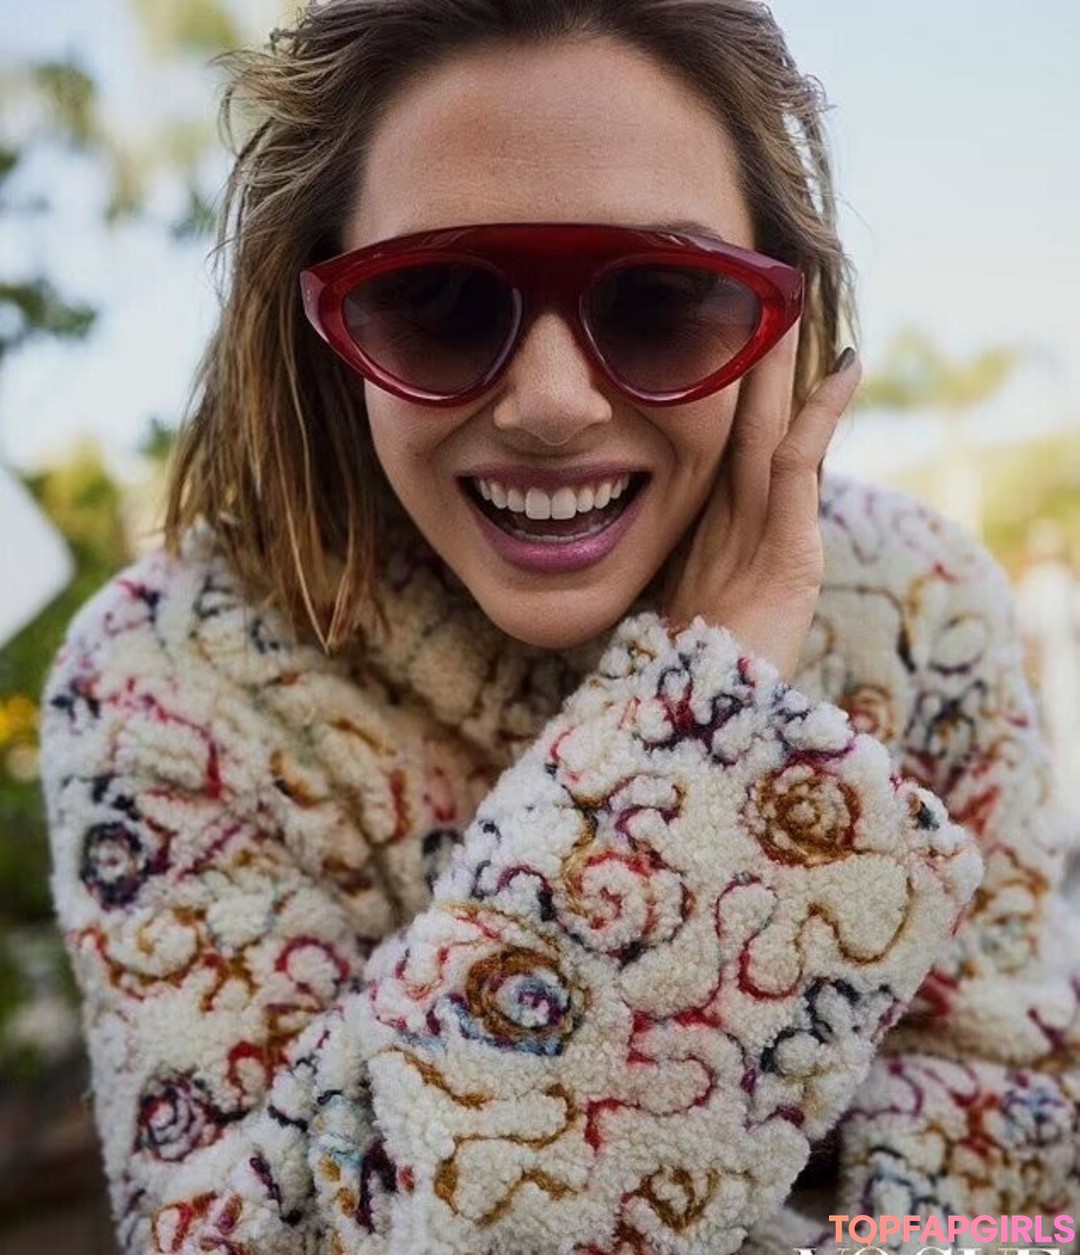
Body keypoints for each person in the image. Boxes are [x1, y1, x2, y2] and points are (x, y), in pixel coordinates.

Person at [39, 2, 1080, 1252]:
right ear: (326, 334)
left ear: (781, 321)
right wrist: (704, 727)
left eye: (662, 299)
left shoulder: (916, 610)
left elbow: (1014, 1165)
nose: (550, 403)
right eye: (434, 300)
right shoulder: (166, 681)